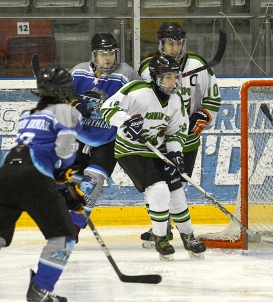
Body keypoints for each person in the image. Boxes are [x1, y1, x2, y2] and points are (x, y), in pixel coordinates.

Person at [0, 67, 84, 302]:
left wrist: (60, 182)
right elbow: (65, 150)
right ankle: (41, 288)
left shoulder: (27, 114)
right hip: (33, 176)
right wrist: (65, 177)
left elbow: (37, 144)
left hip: (3, 175)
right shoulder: (68, 111)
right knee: (63, 237)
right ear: (66, 90)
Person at [101, 54, 206, 261]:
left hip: (158, 150)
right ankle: (161, 238)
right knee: (158, 189)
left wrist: (175, 154)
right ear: (155, 77)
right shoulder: (138, 91)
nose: (174, 82)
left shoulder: (176, 100)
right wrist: (126, 121)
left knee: (176, 190)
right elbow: (107, 108)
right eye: (168, 77)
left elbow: (176, 132)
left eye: (176, 77)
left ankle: (187, 235)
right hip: (130, 150)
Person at [136, 22, 222, 247]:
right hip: (156, 139)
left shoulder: (198, 65)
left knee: (175, 185)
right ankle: (161, 228)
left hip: (186, 140)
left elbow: (213, 98)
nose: (174, 48)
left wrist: (200, 118)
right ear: (160, 44)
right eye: (169, 43)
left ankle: (168, 227)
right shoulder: (148, 67)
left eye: (177, 43)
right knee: (154, 185)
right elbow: (141, 100)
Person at [68, 33, 142, 240]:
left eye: (111, 53)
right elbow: (57, 95)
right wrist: (70, 103)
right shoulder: (79, 71)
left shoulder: (126, 74)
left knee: (92, 182)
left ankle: (73, 229)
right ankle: (66, 225)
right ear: (94, 55)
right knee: (71, 184)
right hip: (80, 137)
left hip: (109, 140)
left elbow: (144, 99)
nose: (107, 58)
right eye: (102, 54)